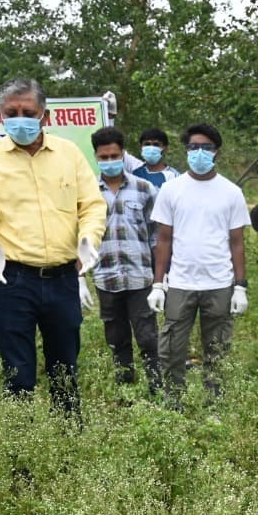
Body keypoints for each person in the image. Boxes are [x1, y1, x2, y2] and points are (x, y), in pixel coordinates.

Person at [0, 78, 107, 415]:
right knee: (18, 372)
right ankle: (21, 441)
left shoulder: (69, 154)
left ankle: (68, 435)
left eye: (28, 112)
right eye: (11, 112)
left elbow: (92, 205)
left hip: (62, 279)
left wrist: (89, 238)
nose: (20, 119)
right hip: (13, 280)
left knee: (65, 368)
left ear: (45, 115)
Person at [147, 123, 249, 405]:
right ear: (186, 150)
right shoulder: (171, 190)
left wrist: (240, 287)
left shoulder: (231, 192)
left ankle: (214, 404)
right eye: (194, 147)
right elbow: (163, 239)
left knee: (217, 348)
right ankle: (173, 402)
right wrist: (158, 284)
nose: (199, 153)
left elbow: (237, 242)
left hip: (219, 283)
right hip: (181, 283)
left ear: (217, 152)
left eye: (206, 147)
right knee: (171, 347)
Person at [90, 126, 161, 393]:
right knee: (116, 338)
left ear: (123, 154)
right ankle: (126, 392)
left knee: (148, 337)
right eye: (104, 157)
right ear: (96, 157)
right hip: (106, 277)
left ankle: (157, 390)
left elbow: (156, 236)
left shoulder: (144, 189)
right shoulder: (88, 192)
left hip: (140, 277)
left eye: (114, 156)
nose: (109, 161)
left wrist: (160, 278)